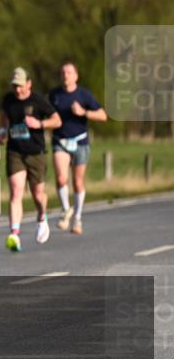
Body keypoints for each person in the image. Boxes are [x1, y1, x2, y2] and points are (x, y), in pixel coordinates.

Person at [0, 67, 61, 252]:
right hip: (15, 151)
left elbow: (57, 120)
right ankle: (14, 235)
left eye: (20, 86)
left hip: (36, 152)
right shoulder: (8, 100)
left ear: (29, 84)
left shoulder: (38, 101)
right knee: (16, 192)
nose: (17, 90)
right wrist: (2, 131)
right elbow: (4, 116)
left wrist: (39, 123)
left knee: (37, 194)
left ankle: (42, 217)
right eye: (14, 86)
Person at [49, 62, 107, 235]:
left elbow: (103, 115)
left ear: (76, 76)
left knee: (78, 181)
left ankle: (78, 218)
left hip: (80, 141)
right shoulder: (54, 95)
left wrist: (84, 112)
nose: (66, 75)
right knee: (60, 178)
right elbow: (45, 112)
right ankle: (66, 210)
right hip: (60, 140)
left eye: (69, 72)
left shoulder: (84, 95)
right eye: (63, 72)